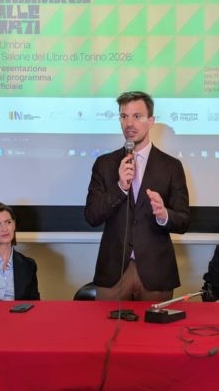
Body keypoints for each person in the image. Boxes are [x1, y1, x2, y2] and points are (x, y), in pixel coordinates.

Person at [85, 91, 190, 301]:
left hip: (156, 271)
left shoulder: (171, 166)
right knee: (105, 323)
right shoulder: (104, 164)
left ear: (151, 121)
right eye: (124, 116)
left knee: (155, 324)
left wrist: (164, 215)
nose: (129, 123)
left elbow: (184, 221)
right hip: (113, 272)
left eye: (137, 116)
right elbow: (92, 216)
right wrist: (120, 188)